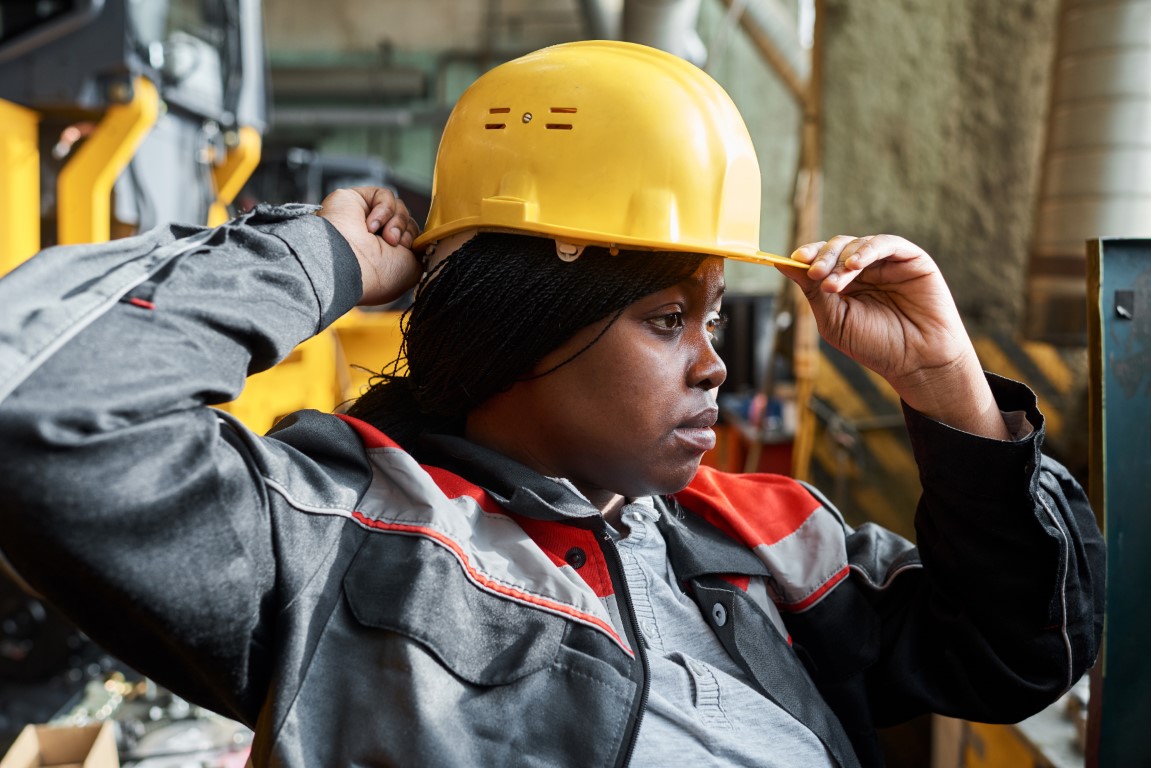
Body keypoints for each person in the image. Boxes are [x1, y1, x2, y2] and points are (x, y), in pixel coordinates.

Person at [0, 40, 1102, 768]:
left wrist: (944, 382)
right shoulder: (338, 542)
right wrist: (318, 258)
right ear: (523, 319)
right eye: (666, 320)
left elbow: (1015, 652)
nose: (713, 367)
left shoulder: (754, 542)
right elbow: (45, 411)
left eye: (712, 318)